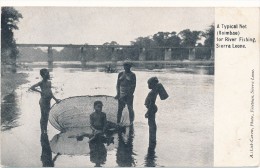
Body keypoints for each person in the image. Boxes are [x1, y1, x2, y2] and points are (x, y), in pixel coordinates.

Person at [30, 68, 60, 134]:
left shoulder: (49, 82)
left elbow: (50, 92)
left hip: (48, 101)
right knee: (43, 116)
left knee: (46, 116)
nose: (48, 75)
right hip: (43, 101)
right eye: (47, 74)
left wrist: (55, 99)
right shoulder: (41, 83)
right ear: (43, 75)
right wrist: (40, 91)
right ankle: (42, 131)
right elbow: (32, 87)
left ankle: (45, 130)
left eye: (48, 73)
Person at [144, 77, 168, 145]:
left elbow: (151, 103)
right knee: (152, 123)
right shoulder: (155, 91)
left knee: (151, 124)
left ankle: (152, 138)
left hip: (151, 109)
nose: (148, 85)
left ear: (153, 84)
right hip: (152, 108)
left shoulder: (152, 93)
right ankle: (153, 138)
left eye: (149, 84)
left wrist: (147, 112)